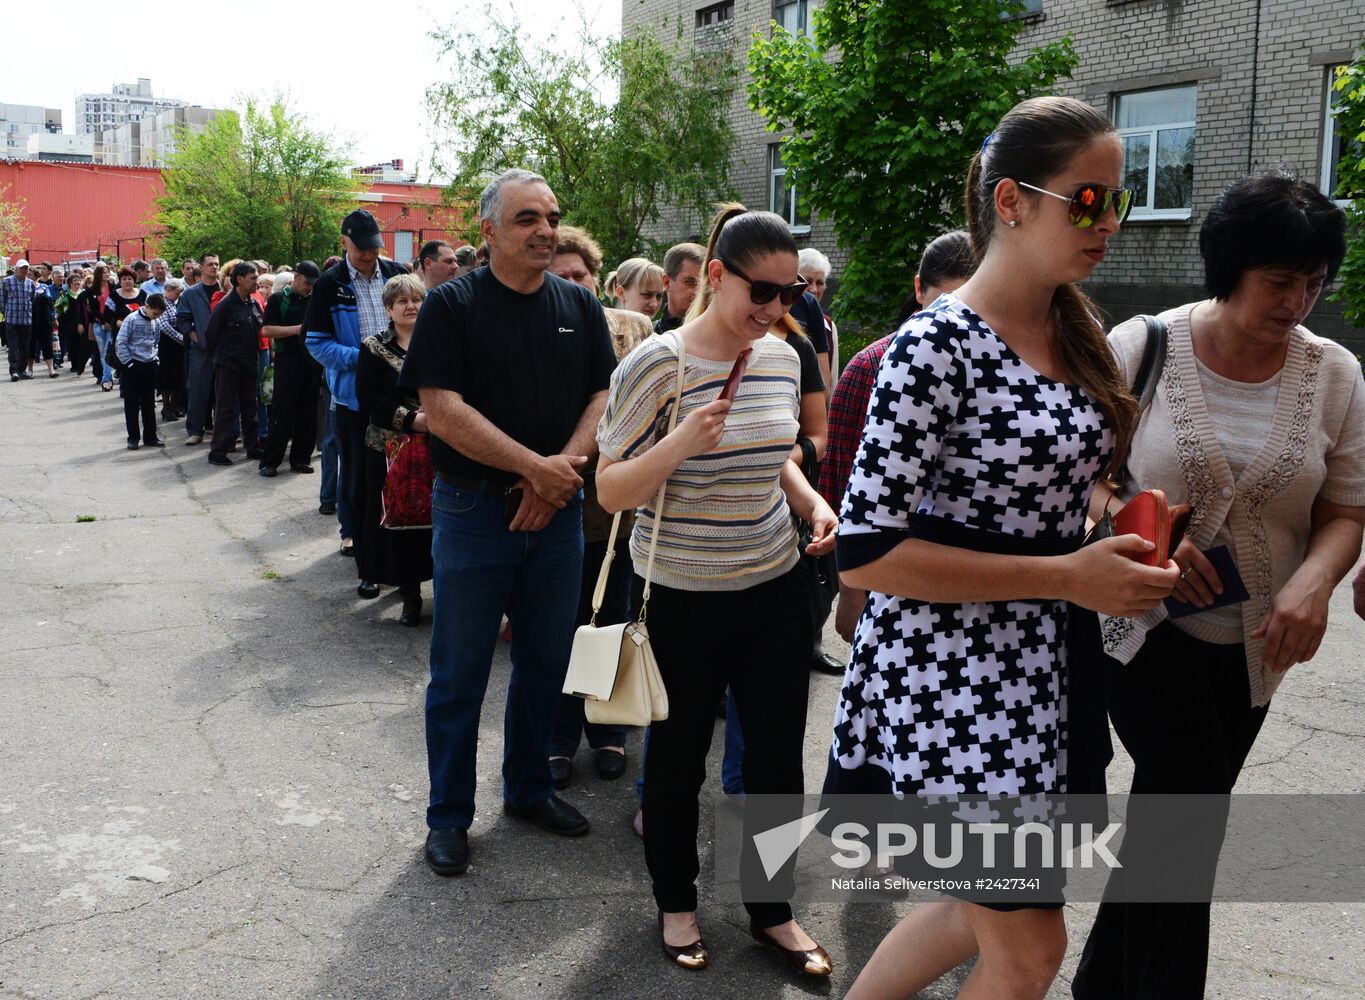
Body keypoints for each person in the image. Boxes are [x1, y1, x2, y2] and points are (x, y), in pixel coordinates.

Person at [831, 96, 1180, 1000]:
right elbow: (863, 551)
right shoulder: (933, 347)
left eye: (1119, 200)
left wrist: (1119, 534)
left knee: (972, 910)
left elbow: (1059, 487)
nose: (1109, 221)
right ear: (1011, 201)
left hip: (1042, 671)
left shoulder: (1074, 330)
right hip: (953, 680)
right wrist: (1067, 576)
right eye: (1089, 199)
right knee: (1028, 948)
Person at [1071, 171, 1365, 1000]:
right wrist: (1128, 516)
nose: (1297, 303)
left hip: (1257, 646)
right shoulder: (1141, 347)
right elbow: (1078, 476)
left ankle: (1103, 985)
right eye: (1279, 282)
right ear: (1228, 267)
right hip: (1140, 628)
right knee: (1187, 819)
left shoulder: (1334, 375)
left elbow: (1346, 508)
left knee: (1172, 821)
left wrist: (1313, 582)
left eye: (1314, 283)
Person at [595, 204, 837, 976]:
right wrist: (678, 443)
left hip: (773, 584)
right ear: (717, 276)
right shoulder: (656, 363)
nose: (774, 308)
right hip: (680, 593)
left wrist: (811, 502)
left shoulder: (781, 356)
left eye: (788, 293)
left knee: (776, 762)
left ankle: (773, 911)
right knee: (677, 762)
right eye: (760, 291)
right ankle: (676, 906)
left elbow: (775, 455)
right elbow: (609, 489)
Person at [397, 168, 616, 877]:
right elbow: (442, 410)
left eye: (551, 216)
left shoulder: (577, 305)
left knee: (546, 664)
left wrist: (558, 476)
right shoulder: (451, 305)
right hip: (472, 513)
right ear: (488, 230)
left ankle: (527, 789)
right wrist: (535, 469)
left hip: (556, 515)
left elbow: (602, 396)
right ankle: (448, 817)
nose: (545, 230)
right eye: (527, 218)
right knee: (459, 673)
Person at [818, 230, 976, 646]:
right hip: (885, 568)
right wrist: (850, 589)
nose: (956, 321)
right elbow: (843, 482)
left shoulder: (1001, 374)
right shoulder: (870, 365)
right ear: (919, 290)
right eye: (945, 303)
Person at [546, 224, 652, 788]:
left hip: (618, 512)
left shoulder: (634, 327)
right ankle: (558, 738)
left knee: (612, 619)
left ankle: (609, 729)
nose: (572, 284)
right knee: (561, 626)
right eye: (560, 276)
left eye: (580, 274)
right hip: (556, 499)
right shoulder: (537, 327)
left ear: (597, 278)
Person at [305, 209, 407, 597]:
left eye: (374, 247)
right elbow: (317, 344)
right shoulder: (330, 284)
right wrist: (366, 359)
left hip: (399, 397)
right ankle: (365, 558)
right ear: (344, 242)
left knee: (402, 478)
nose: (369, 255)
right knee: (360, 481)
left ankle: (400, 562)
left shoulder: (395, 274)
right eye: (362, 248)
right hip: (353, 400)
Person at [355, 273, 435, 625]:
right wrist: (411, 420)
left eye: (416, 299)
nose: (410, 306)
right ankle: (410, 595)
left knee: (437, 518)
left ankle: (444, 591)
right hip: (389, 447)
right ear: (389, 309)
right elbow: (367, 395)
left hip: (437, 444)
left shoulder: (438, 341)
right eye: (402, 301)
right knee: (401, 519)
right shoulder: (373, 347)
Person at [258, 263, 322, 477]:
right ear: (296, 277)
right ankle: (270, 461)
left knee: (308, 413)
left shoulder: (315, 299)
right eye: (307, 283)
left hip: (312, 361)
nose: (309, 287)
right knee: (282, 412)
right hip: (287, 360)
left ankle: (301, 458)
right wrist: (297, 330)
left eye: (313, 284)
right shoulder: (278, 299)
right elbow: (267, 330)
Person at [203, 262, 264, 467]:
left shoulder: (253, 303)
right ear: (239, 279)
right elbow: (211, 335)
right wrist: (221, 359)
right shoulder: (225, 305)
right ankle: (218, 451)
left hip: (249, 363)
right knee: (225, 409)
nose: (257, 282)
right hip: (228, 365)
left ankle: (252, 447)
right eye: (253, 278)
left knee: (250, 408)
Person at [115, 293, 181, 450]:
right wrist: (129, 363)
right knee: (132, 404)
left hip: (149, 365)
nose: (156, 317)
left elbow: (155, 342)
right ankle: (133, 438)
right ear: (147, 306)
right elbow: (121, 343)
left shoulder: (155, 322)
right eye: (155, 313)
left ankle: (150, 436)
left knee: (149, 403)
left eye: (158, 315)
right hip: (132, 365)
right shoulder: (131, 320)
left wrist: (155, 360)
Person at [179, 253, 221, 442]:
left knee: (224, 392)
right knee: (197, 390)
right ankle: (195, 431)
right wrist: (193, 335)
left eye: (217, 264)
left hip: (225, 349)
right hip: (201, 349)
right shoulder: (191, 293)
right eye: (210, 264)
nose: (214, 267)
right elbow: (182, 318)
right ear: (201, 268)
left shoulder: (226, 290)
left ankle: (225, 431)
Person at [654, 242, 704, 334]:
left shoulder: (723, 337)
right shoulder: (647, 336)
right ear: (667, 283)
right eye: (690, 282)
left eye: (705, 284)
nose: (699, 292)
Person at [157, 278, 186, 421]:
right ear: (169, 290)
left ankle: (174, 405)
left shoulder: (174, 303)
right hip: (167, 345)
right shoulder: (162, 303)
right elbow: (164, 326)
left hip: (177, 346)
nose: (178, 296)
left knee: (178, 377)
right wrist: (180, 338)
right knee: (167, 377)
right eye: (177, 293)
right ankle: (166, 407)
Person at [3, 260, 36, 382]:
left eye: (26, 268)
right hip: (11, 319)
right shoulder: (6, 282)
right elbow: (2, 299)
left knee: (25, 347)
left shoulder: (30, 283)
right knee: (13, 347)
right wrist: (6, 311)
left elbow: (32, 299)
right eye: (22, 268)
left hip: (26, 320)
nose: (24, 270)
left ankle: (22, 370)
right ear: (16, 269)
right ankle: (14, 371)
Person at [56, 271, 88, 376]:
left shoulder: (84, 293)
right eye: (75, 280)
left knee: (82, 344)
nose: (77, 282)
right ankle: (74, 365)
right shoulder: (65, 293)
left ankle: (81, 364)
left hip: (82, 322)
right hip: (68, 323)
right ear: (70, 283)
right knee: (72, 344)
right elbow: (57, 306)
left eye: (79, 280)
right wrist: (61, 315)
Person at [28, 280, 58, 379]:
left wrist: (54, 318)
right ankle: (29, 369)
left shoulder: (44, 287)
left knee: (47, 345)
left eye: (33, 275)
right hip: (29, 320)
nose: (31, 278)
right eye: (29, 275)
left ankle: (51, 369)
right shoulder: (24, 286)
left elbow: (51, 304)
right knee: (30, 345)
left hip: (45, 320)